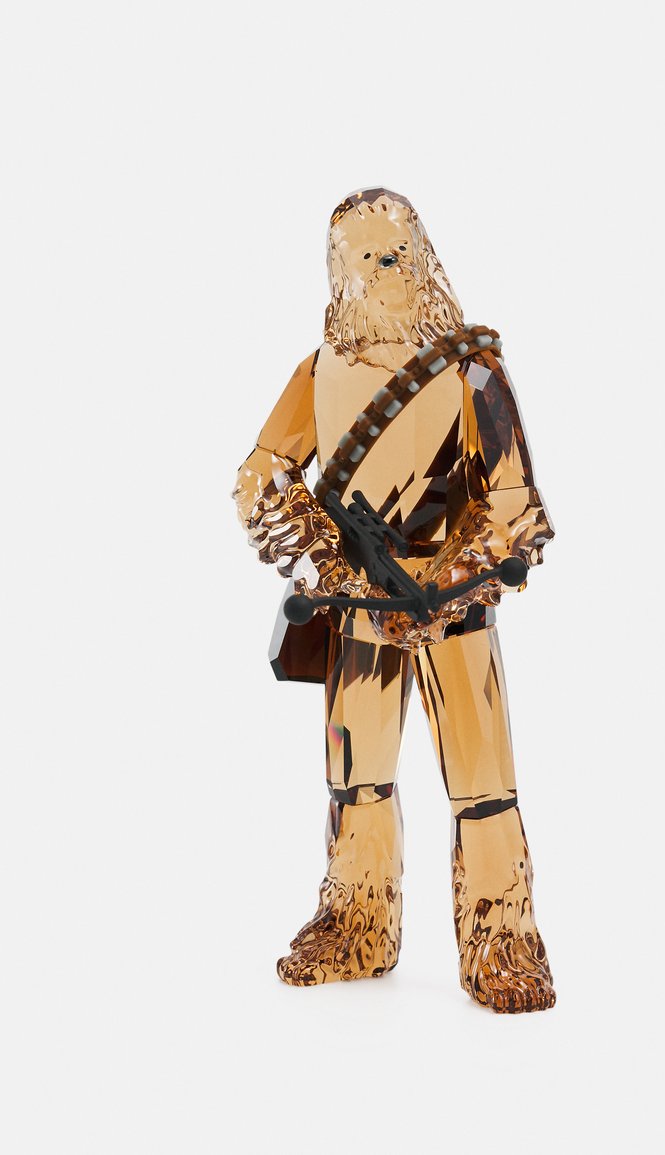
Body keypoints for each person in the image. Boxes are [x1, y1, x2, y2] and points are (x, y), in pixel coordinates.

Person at [233, 187, 556, 1013]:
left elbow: (514, 504)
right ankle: (356, 923)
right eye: (367, 256)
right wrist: (327, 561)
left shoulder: (473, 371)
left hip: (457, 613)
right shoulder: (320, 373)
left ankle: (502, 944)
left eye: (399, 251)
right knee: (356, 779)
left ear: (425, 256)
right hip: (359, 613)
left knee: (485, 785)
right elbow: (264, 471)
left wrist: (449, 583)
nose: (387, 266)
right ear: (338, 271)